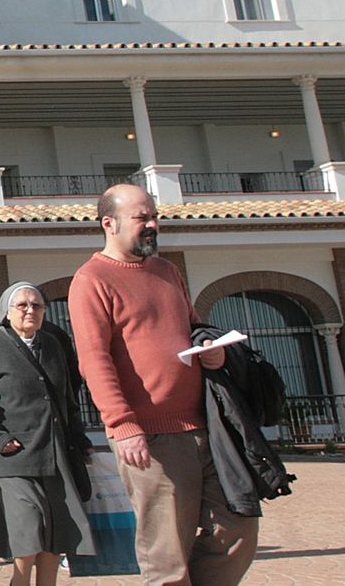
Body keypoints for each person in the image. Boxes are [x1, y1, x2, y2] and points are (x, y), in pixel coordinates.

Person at [68, 183, 259, 585]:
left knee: (238, 527)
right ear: (109, 223)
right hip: (149, 439)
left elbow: (194, 329)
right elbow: (94, 359)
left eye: (154, 216)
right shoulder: (91, 280)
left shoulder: (168, 270)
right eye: (142, 218)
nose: (153, 224)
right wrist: (122, 425)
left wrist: (214, 351)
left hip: (207, 428)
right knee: (166, 555)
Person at [0, 281, 95, 586]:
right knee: (29, 531)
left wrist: (78, 439)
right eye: (22, 305)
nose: (30, 311)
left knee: (56, 533)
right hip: (16, 456)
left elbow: (67, 399)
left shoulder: (51, 344)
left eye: (37, 306)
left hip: (55, 453)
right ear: (7, 311)